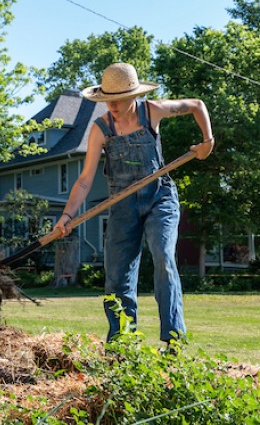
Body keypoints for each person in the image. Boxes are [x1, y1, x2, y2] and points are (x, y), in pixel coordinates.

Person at [54, 62, 214, 343]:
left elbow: (196, 105)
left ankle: (174, 340)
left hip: (159, 198)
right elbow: (84, 180)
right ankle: (122, 345)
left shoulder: (152, 111)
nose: (112, 106)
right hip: (122, 206)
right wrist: (67, 215)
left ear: (134, 95)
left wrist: (207, 141)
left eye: (118, 99)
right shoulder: (100, 129)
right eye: (107, 100)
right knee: (116, 276)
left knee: (164, 257)